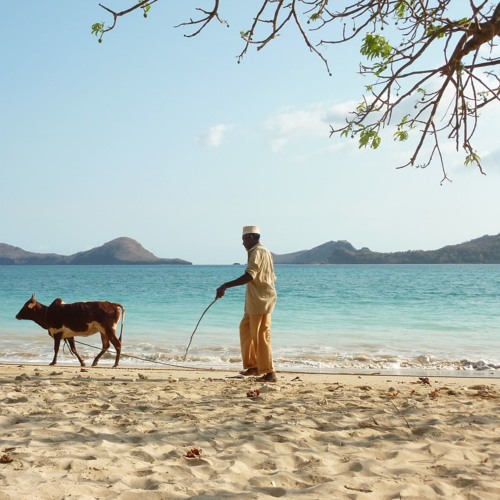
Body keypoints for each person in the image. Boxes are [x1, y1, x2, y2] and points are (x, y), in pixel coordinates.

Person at [216, 226, 278, 383]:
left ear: (251, 237)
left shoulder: (258, 252)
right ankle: (254, 366)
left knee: (261, 335)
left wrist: (225, 285)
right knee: (245, 330)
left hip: (261, 300)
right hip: (254, 300)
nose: (242, 243)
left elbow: (250, 276)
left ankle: (269, 372)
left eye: (244, 239)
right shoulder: (261, 251)